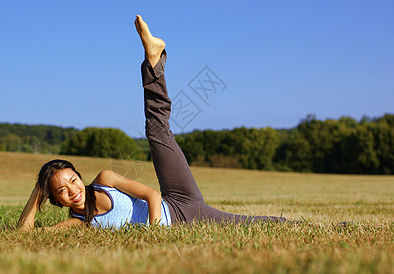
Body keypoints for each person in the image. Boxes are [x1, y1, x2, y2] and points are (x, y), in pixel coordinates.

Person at [17, 15, 288, 231]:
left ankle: (153, 59)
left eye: (73, 180)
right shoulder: (80, 223)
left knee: (157, 132)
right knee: (254, 224)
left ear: (79, 176)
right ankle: (295, 225)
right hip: (191, 217)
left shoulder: (104, 180)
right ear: (54, 199)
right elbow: (25, 233)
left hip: (176, 199)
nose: (73, 191)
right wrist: (38, 190)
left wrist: (155, 229)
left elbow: (152, 195)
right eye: (61, 190)